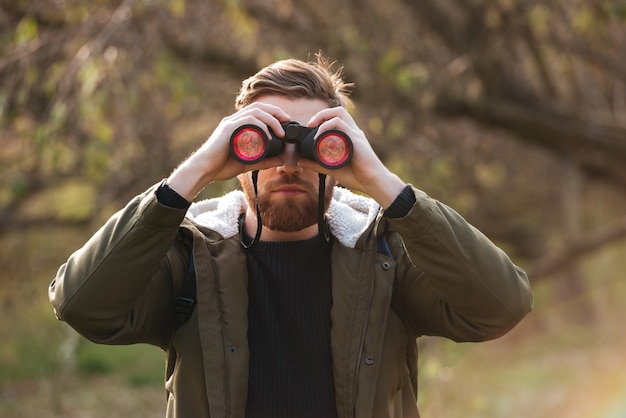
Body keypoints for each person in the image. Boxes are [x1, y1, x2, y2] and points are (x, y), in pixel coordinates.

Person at [49, 54, 532, 418]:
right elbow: (81, 303)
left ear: (341, 156)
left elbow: (501, 305)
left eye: (316, 146)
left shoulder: (382, 256)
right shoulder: (191, 258)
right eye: (265, 140)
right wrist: (194, 172)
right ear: (235, 154)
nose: (289, 162)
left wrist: (385, 185)